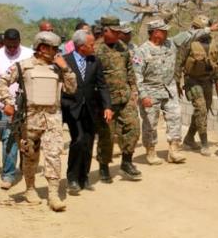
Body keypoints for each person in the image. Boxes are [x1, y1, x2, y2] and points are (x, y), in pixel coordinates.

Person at [0, 31, 76, 211]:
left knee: (54, 155)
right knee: (30, 157)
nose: (56, 52)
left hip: (53, 118)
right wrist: (7, 102)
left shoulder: (58, 68)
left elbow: (71, 89)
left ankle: (53, 195)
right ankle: (30, 188)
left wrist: (66, 69)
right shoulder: (22, 66)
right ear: (42, 48)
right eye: (53, 49)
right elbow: (1, 83)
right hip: (30, 118)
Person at [61, 29, 112, 194]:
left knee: (89, 142)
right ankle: (72, 178)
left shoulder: (94, 61)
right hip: (72, 108)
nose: (94, 47)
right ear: (81, 46)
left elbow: (102, 85)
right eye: (91, 44)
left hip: (91, 108)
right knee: (79, 139)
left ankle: (84, 177)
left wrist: (107, 106)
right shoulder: (64, 61)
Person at [0, 28, 34, 189]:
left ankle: (25, 168)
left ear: (20, 42)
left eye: (14, 46)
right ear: (4, 43)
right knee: (7, 137)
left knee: (26, 138)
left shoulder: (29, 54)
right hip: (2, 106)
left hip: (26, 106)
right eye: (8, 46)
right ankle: (8, 175)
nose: (11, 49)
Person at [94, 15, 142, 181]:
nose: (118, 35)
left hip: (125, 96)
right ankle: (104, 166)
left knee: (134, 128)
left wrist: (134, 90)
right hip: (105, 100)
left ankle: (126, 162)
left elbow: (129, 69)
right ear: (105, 30)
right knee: (107, 135)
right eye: (114, 32)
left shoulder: (122, 47)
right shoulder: (96, 49)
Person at [133, 19, 186, 165]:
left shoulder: (170, 44)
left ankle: (174, 150)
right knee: (150, 123)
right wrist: (143, 95)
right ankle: (150, 151)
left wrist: (206, 30)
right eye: (164, 30)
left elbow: (188, 35)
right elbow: (137, 75)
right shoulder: (141, 51)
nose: (167, 32)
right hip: (150, 90)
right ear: (155, 32)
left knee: (175, 117)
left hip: (169, 89)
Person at [176, 14, 218, 156]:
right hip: (193, 81)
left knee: (202, 110)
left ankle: (189, 138)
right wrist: (177, 83)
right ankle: (204, 143)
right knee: (201, 109)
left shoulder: (212, 42)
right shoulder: (188, 42)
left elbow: (216, 62)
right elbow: (178, 63)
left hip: (207, 80)